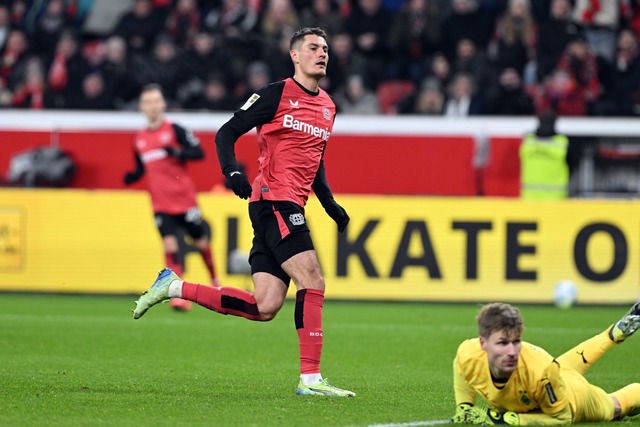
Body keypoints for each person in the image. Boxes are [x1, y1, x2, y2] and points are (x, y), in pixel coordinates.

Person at [132, 27, 355, 397]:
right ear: (295, 56)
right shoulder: (275, 94)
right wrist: (232, 170)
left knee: (265, 306)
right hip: (273, 201)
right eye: (313, 47)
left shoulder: (328, 107)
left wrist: (330, 204)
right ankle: (311, 380)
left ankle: (172, 285)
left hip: (287, 203)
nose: (322, 53)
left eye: (326, 48)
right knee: (313, 280)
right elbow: (226, 132)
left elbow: (314, 160)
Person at [451, 301, 640, 425]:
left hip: (573, 395)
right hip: (550, 374)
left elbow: (562, 418)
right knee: (557, 369)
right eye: (502, 343)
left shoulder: (540, 371)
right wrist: (464, 406)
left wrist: (511, 420)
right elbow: (460, 365)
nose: (511, 352)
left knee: (613, 407)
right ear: (483, 343)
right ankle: (612, 335)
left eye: (516, 342)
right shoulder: (469, 352)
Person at [124, 84, 219, 311]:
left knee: (200, 242)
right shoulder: (139, 139)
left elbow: (199, 152)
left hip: (184, 200)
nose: (153, 106)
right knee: (169, 245)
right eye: (148, 102)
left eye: (156, 101)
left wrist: (177, 152)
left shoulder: (175, 130)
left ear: (163, 104)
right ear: (142, 107)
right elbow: (141, 167)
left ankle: (215, 281)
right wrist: (132, 176)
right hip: (160, 203)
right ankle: (179, 295)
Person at [519, 110, 569, 200]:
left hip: (530, 198)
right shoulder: (562, 142)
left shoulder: (528, 141)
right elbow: (572, 163)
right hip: (556, 199)